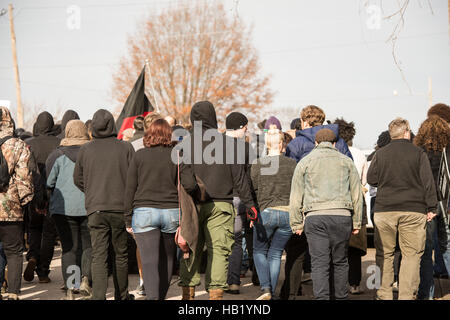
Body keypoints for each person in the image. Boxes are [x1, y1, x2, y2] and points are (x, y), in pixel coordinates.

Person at [178, 101, 256, 300]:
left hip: (192, 204)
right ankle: (215, 297)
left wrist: (195, 191)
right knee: (219, 251)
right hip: (221, 205)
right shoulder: (228, 144)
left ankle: (188, 297)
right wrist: (250, 205)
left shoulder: (185, 143)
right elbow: (240, 179)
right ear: (213, 118)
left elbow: (183, 177)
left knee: (191, 249)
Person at [281, 105, 353, 299]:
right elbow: (350, 174)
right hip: (338, 208)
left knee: (298, 253)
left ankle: (291, 292)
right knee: (337, 258)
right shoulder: (340, 143)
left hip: (309, 208)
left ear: (303, 122)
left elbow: (292, 179)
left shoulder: (295, 145)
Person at [124, 119, 198, 300]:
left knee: (149, 262)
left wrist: (127, 218)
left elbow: (129, 189)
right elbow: (191, 184)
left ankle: (153, 298)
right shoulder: (177, 155)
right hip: (171, 213)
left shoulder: (139, 155)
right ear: (169, 135)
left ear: (149, 134)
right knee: (167, 261)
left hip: (143, 213)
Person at [367, 117, 437, 300]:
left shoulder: (380, 154)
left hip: (385, 210)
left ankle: (384, 294)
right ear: (407, 132)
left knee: (384, 254)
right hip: (413, 210)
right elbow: (428, 182)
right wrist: (432, 207)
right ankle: (407, 295)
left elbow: (371, 179)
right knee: (411, 255)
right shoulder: (418, 153)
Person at [289, 128, 363, 300]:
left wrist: (296, 223)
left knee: (319, 263)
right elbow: (357, 195)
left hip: (315, 217)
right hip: (342, 216)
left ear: (316, 143)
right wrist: (357, 222)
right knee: (340, 261)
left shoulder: (305, 162)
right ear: (334, 143)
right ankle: (341, 297)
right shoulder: (346, 162)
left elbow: (295, 196)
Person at [73, 109, 135, 300]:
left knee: (99, 255)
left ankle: (99, 296)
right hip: (120, 208)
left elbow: (77, 179)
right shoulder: (125, 148)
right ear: (112, 126)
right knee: (121, 254)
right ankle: (121, 296)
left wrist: (92, 191)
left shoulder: (85, 149)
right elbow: (134, 179)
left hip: (95, 209)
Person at [46, 120, 93, 300]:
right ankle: (85, 280)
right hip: (88, 206)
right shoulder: (91, 153)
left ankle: (71, 288)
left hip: (62, 210)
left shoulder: (57, 155)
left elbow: (49, 183)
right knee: (88, 246)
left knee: (69, 248)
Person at [250, 128, 297, 300]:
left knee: (259, 250)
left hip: (265, 213)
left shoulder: (257, 164)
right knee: (276, 253)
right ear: (282, 144)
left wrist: (252, 214)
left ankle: (266, 289)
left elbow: (252, 191)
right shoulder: (293, 164)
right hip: (287, 213)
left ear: (267, 145)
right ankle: (273, 292)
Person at [413, 115, 450, 299]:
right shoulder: (448, 150)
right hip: (447, 205)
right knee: (447, 247)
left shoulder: (418, 152)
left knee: (426, 251)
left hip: (425, 206)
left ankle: (426, 294)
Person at [0, 106, 34, 300]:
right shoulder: (17, 144)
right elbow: (24, 178)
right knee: (13, 252)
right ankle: (13, 292)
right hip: (10, 207)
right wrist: (23, 201)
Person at [24, 111, 60, 283]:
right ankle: (43, 271)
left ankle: (32, 256)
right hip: (54, 193)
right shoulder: (60, 143)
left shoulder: (28, 143)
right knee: (49, 234)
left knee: (34, 228)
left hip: (33, 194)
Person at [334, 118, 369, 295]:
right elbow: (364, 181)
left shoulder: (333, 151)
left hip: (337, 200)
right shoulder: (360, 153)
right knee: (354, 247)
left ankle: (337, 285)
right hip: (356, 202)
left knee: (338, 247)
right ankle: (354, 284)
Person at [223, 112, 253, 295]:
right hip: (239, 197)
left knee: (218, 240)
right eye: (246, 127)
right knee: (236, 241)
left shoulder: (213, 147)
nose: (246, 131)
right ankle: (233, 281)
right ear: (240, 127)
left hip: (219, 197)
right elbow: (249, 178)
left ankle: (217, 280)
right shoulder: (246, 149)